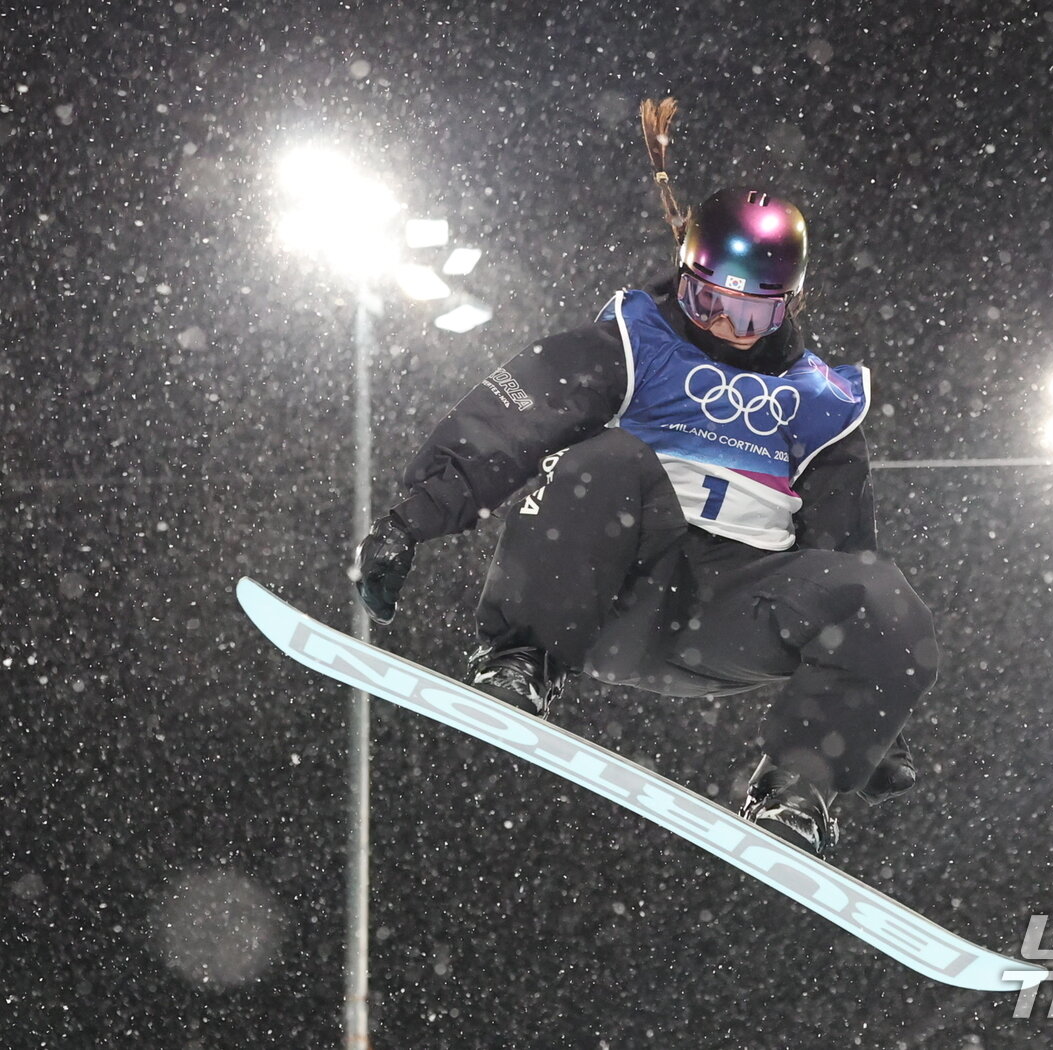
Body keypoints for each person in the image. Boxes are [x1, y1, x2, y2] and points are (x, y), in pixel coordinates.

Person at [352, 99, 938, 856]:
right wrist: (408, 522)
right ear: (687, 279)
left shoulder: (821, 405)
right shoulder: (636, 342)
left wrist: (869, 716)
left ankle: (798, 791)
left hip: (732, 614)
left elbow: (843, 560)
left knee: (885, 597)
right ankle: (522, 659)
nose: (727, 329)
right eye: (708, 303)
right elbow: (513, 421)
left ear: (790, 306)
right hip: (614, 591)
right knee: (606, 460)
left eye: (751, 317)